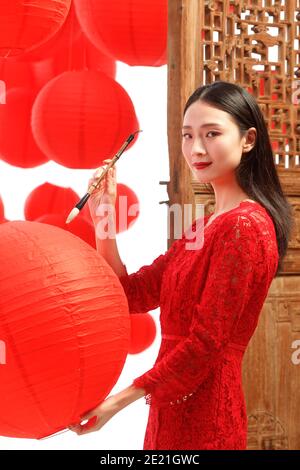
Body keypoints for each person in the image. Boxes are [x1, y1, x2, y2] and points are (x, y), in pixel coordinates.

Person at [69, 80, 294, 449]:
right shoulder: (203, 227)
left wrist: (118, 401)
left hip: (206, 415)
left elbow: (206, 344)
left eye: (212, 133)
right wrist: (104, 219)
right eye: (188, 136)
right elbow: (130, 295)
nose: (197, 148)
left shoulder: (245, 226)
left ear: (248, 139)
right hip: (169, 405)